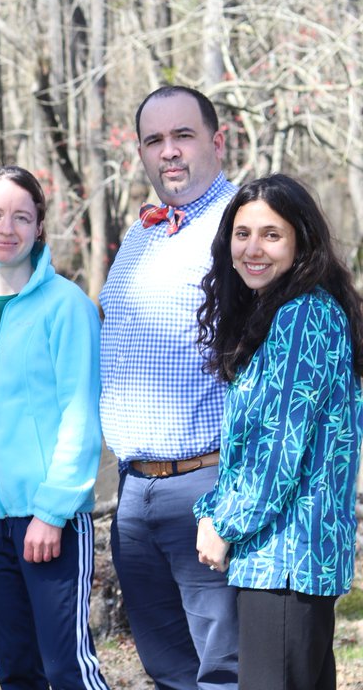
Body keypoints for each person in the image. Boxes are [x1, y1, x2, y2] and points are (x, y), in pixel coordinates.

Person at [193, 175, 363, 690]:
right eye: (242, 234)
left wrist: (222, 523)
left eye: (271, 234)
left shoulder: (304, 316)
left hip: (286, 557)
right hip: (284, 558)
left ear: (301, 240)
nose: (252, 248)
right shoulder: (286, 314)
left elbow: (277, 450)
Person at [100, 85, 239, 689]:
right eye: (154, 140)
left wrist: (230, 504)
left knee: (224, 670)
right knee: (168, 670)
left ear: (217, 140)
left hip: (204, 484)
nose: (169, 152)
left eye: (183, 135)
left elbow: (261, 372)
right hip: (134, 491)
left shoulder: (242, 227)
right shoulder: (142, 236)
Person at [0, 166, 109, 690]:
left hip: (49, 520)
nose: (7, 227)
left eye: (22, 217)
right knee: (17, 671)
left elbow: (80, 414)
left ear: (40, 227)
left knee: (68, 669)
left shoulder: (68, 307)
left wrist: (52, 510)